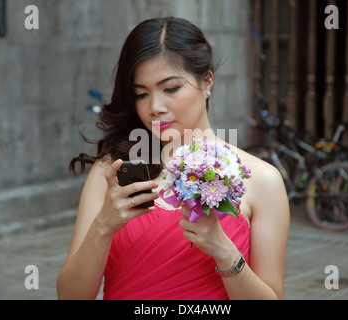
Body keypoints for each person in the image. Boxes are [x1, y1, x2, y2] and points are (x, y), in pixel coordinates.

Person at [56, 17, 290, 300]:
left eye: (170, 89)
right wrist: (103, 226)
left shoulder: (262, 181)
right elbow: (70, 296)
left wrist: (225, 253)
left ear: (207, 81)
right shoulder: (113, 171)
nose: (154, 107)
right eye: (141, 94)